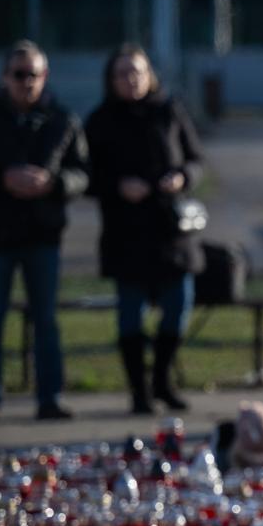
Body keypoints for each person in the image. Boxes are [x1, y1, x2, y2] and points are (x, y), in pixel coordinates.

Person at [0, 40, 88, 423]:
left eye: (34, 75)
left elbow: (83, 174)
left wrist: (53, 184)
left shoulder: (63, 120)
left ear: (45, 76)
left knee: (46, 321)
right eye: (19, 75)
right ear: (4, 76)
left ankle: (49, 398)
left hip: (43, 237)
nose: (27, 82)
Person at [85, 44, 204, 414]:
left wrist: (182, 177)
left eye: (137, 71)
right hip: (126, 233)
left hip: (170, 231)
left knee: (176, 307)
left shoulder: (169, 110)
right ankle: (139, 391)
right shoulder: (101, 120)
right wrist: (118, 186)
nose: (131, 79)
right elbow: (86, 176)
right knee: (130, 314)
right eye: (122, 73)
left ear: (149, 74)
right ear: (111, 80)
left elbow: (197, 160)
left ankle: (162, 381)